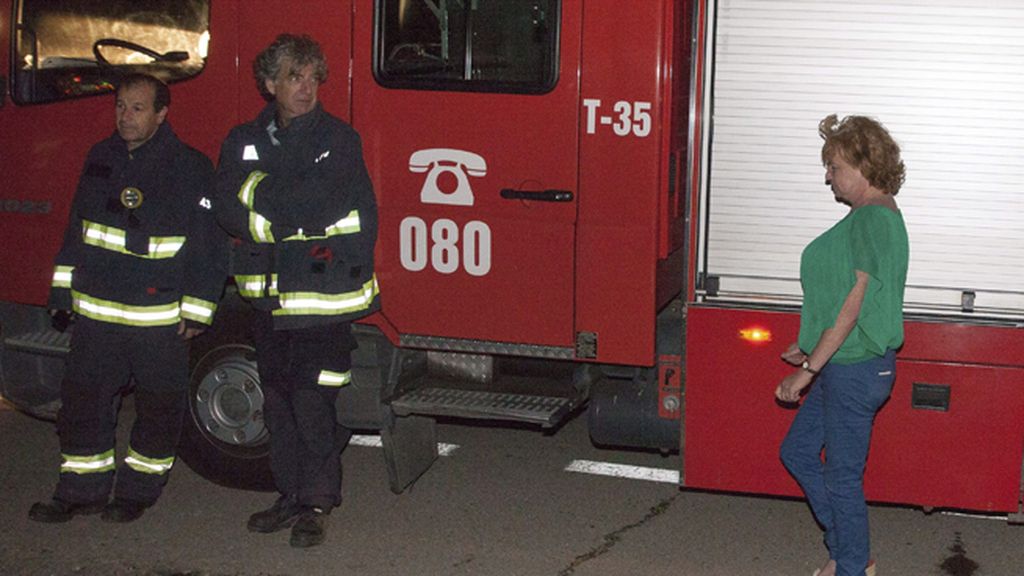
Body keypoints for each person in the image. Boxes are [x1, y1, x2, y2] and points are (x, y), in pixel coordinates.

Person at [30, 74, 226, 524]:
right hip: (96, 311)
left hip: (157, 318)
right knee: (83, 403)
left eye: (137, 108)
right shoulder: (101, 156)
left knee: (158, 408)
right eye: (120, 106)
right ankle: (80, 490)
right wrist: (62, 289)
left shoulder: (189, 166)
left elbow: (208, 244)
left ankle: (137, 491)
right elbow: (77, 228)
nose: (125, 116)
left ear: (161, 114)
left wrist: (198, 308)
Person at [215, 34, 379, 549]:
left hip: (322, 300)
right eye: (293, 77)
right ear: (270, 84)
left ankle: (318, 503)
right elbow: (224, 203)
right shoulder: (243, 138)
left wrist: (257, 189)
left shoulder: (340, 140)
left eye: (312, 78)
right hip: (268, 299)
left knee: (312, 404)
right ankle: (289, 493)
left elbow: (317, 206)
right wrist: (280, 205)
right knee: (278, 402)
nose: (306, 88)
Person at [776, 114, 908, 576]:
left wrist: (808, 369)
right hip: (844, 363)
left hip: (856, 369)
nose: (828, 177)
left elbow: (855, 304)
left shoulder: (874, 218)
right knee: (798, 452)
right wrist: (810, 348)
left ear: (863, 165)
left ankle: (852, 565)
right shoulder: (868, 217)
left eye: (834, 167)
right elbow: (848, 300)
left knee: (842, 475)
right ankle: (851, 550)